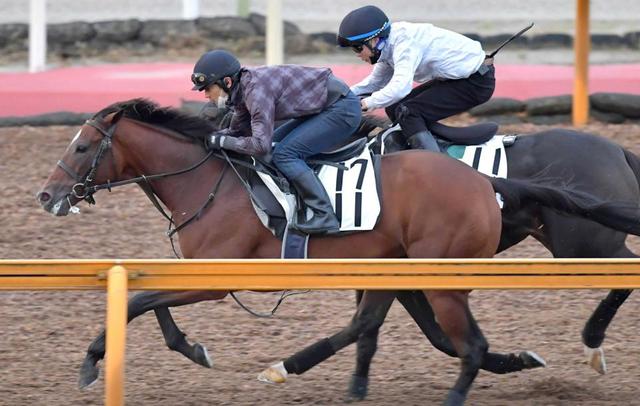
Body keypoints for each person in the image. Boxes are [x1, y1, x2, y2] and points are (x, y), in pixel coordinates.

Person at [191, 50, 361, 234]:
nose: (206, 95)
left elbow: (258, 145)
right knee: (274, 147)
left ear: (227, 82)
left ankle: (325, 215)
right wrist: (207, 138)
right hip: (324, 107)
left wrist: (221, 141)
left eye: (208, 88)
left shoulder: (255, 92)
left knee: (284, 155)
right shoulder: (241, 90)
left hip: (342, 110)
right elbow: (237, 132)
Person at [337, 5, 495, 151]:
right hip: (458, 79)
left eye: (358, 48)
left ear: (375, 40)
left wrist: (366, 103)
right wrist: (343, 96)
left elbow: (400, 88)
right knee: (393, 108)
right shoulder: (387, 45)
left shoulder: (405, 44)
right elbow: (375, 82)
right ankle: (429, 142)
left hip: (476, 83)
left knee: (408, 112)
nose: (357, 55)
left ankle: (432, 163)